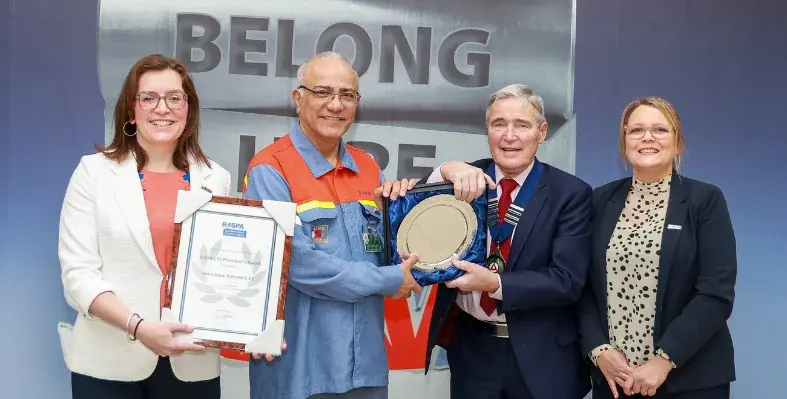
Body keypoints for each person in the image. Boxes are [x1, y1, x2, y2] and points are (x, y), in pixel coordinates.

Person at [242, 51, 422, 399]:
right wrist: (389, 279)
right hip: (299, 370)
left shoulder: (369, 168)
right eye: (323, 92)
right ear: (299, 98)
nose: (335, 105)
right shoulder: (270, 169)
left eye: (347, 95)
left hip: (366, 368)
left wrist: (415, 206)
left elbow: (389, 249)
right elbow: (299, 265)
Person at [57, 54, 232, 398]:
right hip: (108, 364)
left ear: (189, 109)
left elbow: (224, 270)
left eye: (174, 98)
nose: (162, 108)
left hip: (192, 364)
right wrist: (138, 327)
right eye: (149, 98)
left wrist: (253, 326)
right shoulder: (93, 174)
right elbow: (78, 276)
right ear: (131, 110)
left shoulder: (216, 177)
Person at [423, 84, 593, 399]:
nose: (509, 136)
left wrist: (494, 283)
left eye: (522, 125)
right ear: (487, 130)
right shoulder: (463, 180)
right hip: (472, 351)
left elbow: (567, 280)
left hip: (543, 359)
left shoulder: (571, 194)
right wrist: (443, 170)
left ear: (542, 132)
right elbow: (410, 214)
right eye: (498, 124)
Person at [577, 96, 737, 399]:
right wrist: (598, 350)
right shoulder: (599, 200)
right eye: (636, 130)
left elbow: (716, 292)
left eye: (660, 130)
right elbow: (581, 286)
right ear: (624, 142)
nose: (647, 137)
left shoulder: (705, 200)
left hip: (689, 380)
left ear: (677, 143)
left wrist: (664, 361)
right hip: (615, 380)